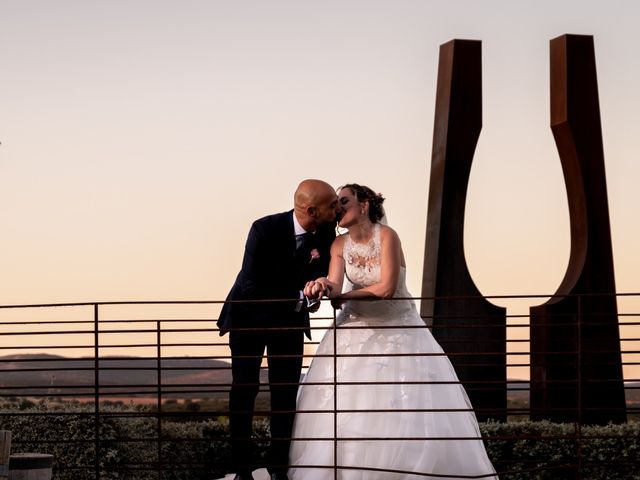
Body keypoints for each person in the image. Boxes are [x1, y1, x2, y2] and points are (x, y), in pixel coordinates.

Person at [288, 183, 498, 480]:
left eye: (343, 202)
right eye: (335, 204)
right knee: (347, 407)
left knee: (404, 406)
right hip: (353, 333)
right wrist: (324, 285)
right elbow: (335, 283)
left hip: (397, 329)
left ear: (364, 206)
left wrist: (344, 297)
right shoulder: (338, 245)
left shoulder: (387, 237)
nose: (337, 209)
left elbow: (386, 288)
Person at [217, 179, 342, 480]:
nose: (337, 209)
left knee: (285, 394)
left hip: (289, 322)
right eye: (332, 205)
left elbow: (320, 275)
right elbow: (250, 286)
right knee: (245, 390)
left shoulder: (326, 233)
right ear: (312, 210)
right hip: (248, 318)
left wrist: (315, 296)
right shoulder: (263, 229)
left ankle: (279, 470)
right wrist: (300, 296)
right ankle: (242, 470)